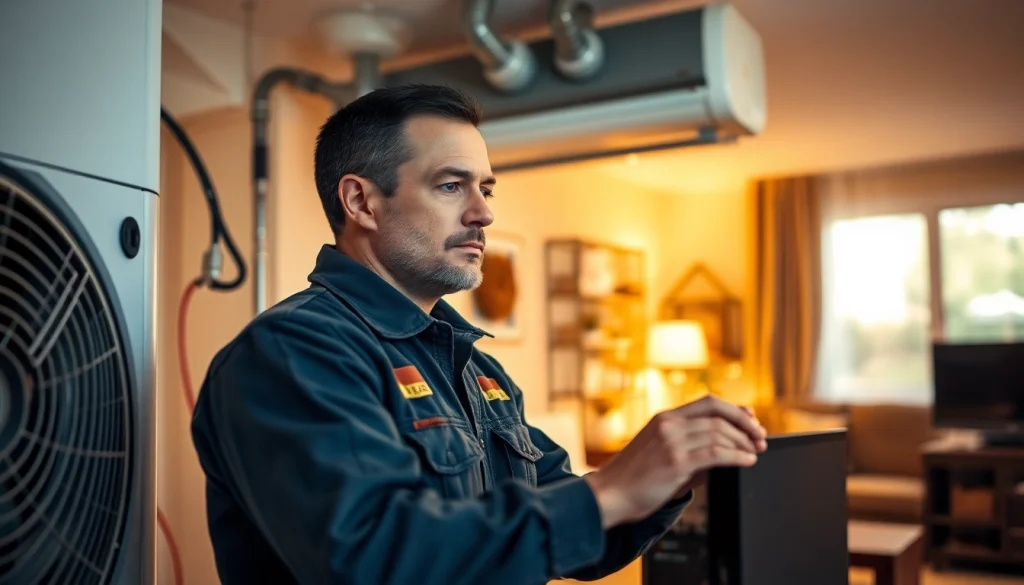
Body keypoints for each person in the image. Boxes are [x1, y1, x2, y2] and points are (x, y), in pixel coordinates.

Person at [190, 84, 768, 585]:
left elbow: (576, 538)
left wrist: (667, 479)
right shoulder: (291, 353)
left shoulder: (473, 367)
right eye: (450, 186)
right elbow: (376, 561)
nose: (483, 213)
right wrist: (610, 491)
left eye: (485, 189)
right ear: (360, 200)